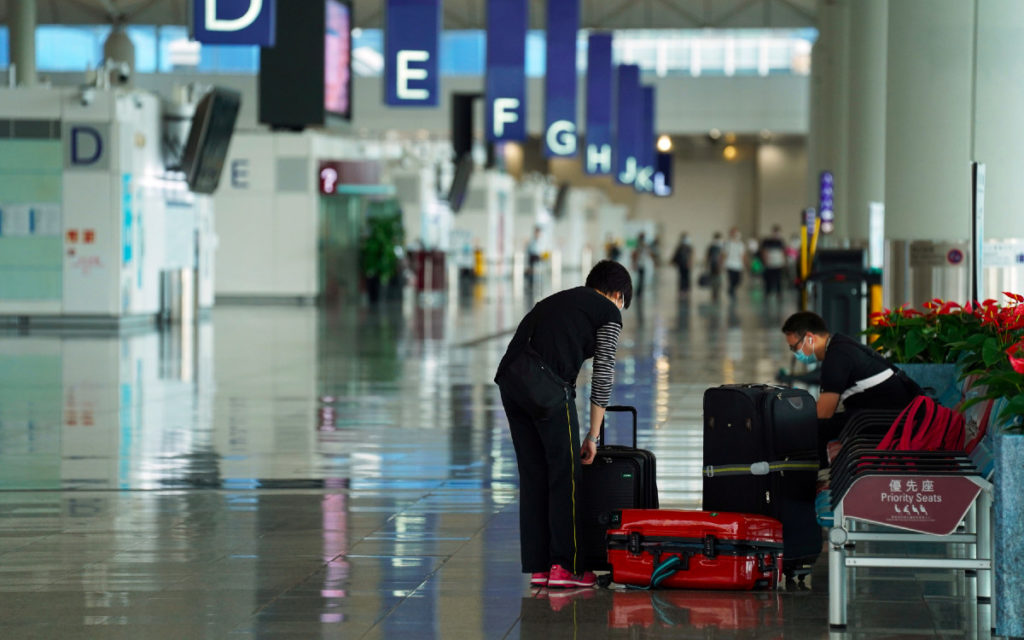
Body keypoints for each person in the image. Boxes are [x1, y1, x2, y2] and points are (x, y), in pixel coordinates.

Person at [494, 260, 632, 589]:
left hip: (511, 382)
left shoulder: (560, 300)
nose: (621, 309)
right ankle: (566, 567)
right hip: (547, 388)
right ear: (616, 294)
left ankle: (541, 567)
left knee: (534, 475)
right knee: (566, 475)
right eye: (623, 302)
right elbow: (603, 375)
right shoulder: (609, 312)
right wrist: (593, 435)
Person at [781, 311, 922, 466]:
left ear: (809, 338)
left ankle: (811, 477)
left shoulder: (836, 358)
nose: (796, 354)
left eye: (795, 347)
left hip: (890, 421)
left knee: (813, 428)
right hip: (891, 416)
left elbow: (824, 413)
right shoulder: (840, 345)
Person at [759, 225, 787, 297]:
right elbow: (764, 251)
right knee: (768, 279)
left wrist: (784, 261)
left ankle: (778, 292)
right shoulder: (767, 241)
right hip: (769, 263)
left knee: (778, 279)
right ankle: (767, 292)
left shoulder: (781, 242)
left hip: (778, 264)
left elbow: (783, 252)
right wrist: (765, 261)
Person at [722, 227, 747, 300]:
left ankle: (732, 288)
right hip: (729, 264)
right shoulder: (727, 243)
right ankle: (731, 290)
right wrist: (722, 264)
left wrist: (745, 264)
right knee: (731, 279)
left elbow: (743, 255)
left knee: (738, 280)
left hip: (738, 265)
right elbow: (724, 254)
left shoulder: (741, 244)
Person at [670, 232, 693, 299]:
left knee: (685, 277)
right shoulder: (680, 247)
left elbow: (691, 256)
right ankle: (682, 290)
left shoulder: (688, 247)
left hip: (685, 264)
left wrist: (690, 263)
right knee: (682, 277)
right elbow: (675, 255)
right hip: (681, 264)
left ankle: (685, 290)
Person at [705, 232, 724, 301]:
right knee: (717, 278)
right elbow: (721, 257)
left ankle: (715, 292)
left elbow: (707, 256)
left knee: (714, 278)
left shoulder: (711, 246)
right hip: (716, 264)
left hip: (713, 264)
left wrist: (706, 264)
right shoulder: (720, 246)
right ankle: (715, 292)